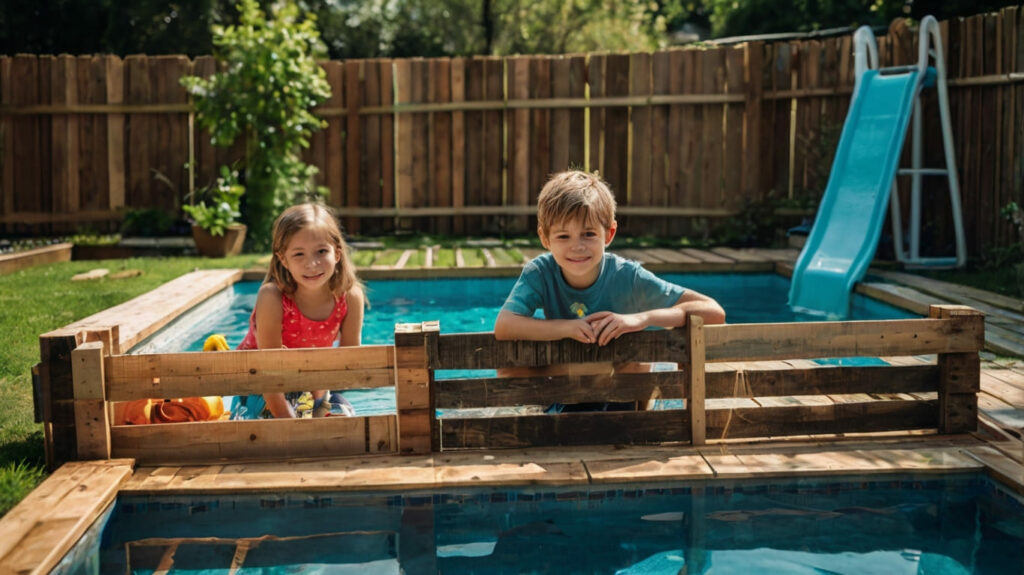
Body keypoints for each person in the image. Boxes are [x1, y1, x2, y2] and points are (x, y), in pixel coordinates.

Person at [494, 170, 725, 410]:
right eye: (563, 236)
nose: (577, 246)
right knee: (510, 364)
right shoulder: (540, 273)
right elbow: (504, 325)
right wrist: (567, 328)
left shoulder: (628, 276)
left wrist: (641, 318)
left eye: (589, 234)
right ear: (545, 238)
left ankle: (636, 423)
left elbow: (713, 312)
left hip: (620, 388)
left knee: (639, 354)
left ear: (609, 234)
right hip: (568, 384)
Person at [232, 203, 365, 419]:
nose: (312, 264)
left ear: (337, 254)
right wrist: (292, 425)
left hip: (314, 387)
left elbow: (347, 365)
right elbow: (268, 376)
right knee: (275, 430)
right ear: (283, 260)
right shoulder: (272, 298)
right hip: (260, 388)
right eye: (299, 254)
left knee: (345, 421)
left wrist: (319, 398)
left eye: (322, 251)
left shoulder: (350, 297)